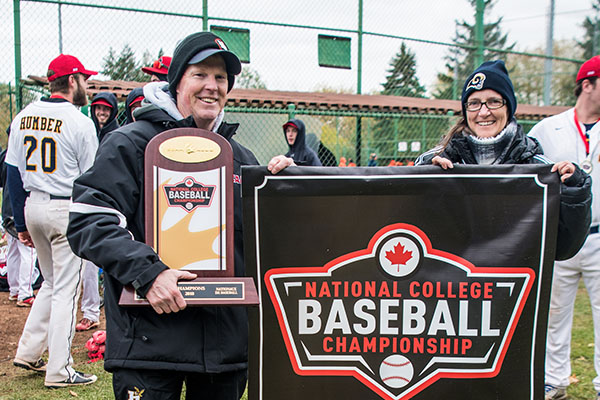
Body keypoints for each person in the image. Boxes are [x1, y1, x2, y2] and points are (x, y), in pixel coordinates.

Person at [66, 32, 293, 399]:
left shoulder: (242, 157)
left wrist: (289, 186)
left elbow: (264, 240)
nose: (212, 86)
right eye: (200, 74)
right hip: (150, 344)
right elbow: (90, 219)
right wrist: (148, 274)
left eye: (221, 78)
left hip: (224, 349)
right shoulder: (131, 143)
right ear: (177, 82)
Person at [415, 59, 591, 263]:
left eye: (493, 101)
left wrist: (574, 190)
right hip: (452, 286)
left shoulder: (536, 166)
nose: (483, 112)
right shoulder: (435, 159)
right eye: (474, 103)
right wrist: (426, 178)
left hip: (511, 285)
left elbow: (563, 248)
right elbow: (408, 224)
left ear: (508, 107)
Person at [6, 54, 99, 388]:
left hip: (33, 206)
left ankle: (28, 352)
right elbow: (92, 177)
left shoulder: (24, 116)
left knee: (49, 282)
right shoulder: (79, 121)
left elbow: (12, 172)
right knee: (65, 289)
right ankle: (61, 369)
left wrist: (19, 223)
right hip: (65, 209)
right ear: (72, 80)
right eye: (84, 79)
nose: (86, 85)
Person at [528, 55, 600, 400]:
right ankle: (554, 380)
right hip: (560, 235)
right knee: (554, 311)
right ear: (588, 84)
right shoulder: (547, 128)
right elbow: (524, 167)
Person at [1, 127, 39, 307]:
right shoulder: (25, 155)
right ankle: (25, 292)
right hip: (19, 208)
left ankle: (14, 289)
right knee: (29, 251)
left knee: (13, 250)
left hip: (6, 207)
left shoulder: (6, 155)